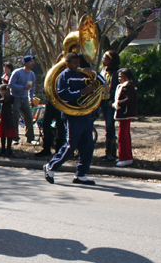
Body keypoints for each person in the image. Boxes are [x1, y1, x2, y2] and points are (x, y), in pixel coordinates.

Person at [43, 53, 101, 185]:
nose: (77, 65)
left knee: (88, 146)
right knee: (71, 145)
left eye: (78, 62)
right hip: (72, 116)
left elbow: (100, 85)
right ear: (67, 63)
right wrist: (82, 92)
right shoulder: (64, 75)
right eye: (74, 62)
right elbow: (63, 95)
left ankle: (80, 174)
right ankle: (50, 167)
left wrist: (93, 75)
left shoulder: (82, 74)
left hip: (84, 115)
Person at [9, 56, 36, 146]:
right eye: (31, 61)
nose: (33, 63)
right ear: (26, 63)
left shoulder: (32, 74)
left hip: (24, 98)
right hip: (15, 97)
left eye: (33, 61)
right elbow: (10, 84)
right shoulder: (17, 72)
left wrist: (31, 98)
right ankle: (15, 138)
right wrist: (22, 88)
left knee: (29, 117)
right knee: (15, 118)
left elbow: (31, 88)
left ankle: (30, 138)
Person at [113, 68, 138, 167]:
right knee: (124, 135)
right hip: (124, 113)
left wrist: (117, 104)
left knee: (122, 136)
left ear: (126, 76)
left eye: (121, 76)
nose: (119, 78)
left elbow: (129, 100)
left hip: (125, 113)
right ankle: (125, 156)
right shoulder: (125, 86)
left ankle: (126, 157)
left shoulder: (128, 86)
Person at [100, 50, 121, 161]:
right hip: (102, 101)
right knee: (106, 126)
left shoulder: (117, 72)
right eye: (103, 58)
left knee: (110, 126)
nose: (104, 60)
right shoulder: (103, 71)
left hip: (110, 102)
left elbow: (118, 88)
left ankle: (111, 152)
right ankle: (107, 152)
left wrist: (112, 99)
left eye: (106, 58)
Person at [0, 83, 17, 156]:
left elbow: (0, 101)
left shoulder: (9, 98)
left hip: (8, 119)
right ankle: (3, 149)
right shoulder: (2, 98)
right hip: (2, 118)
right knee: (2, 134)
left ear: (4, 91)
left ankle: (9, 149)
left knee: (9, 134)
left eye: (0, 91)